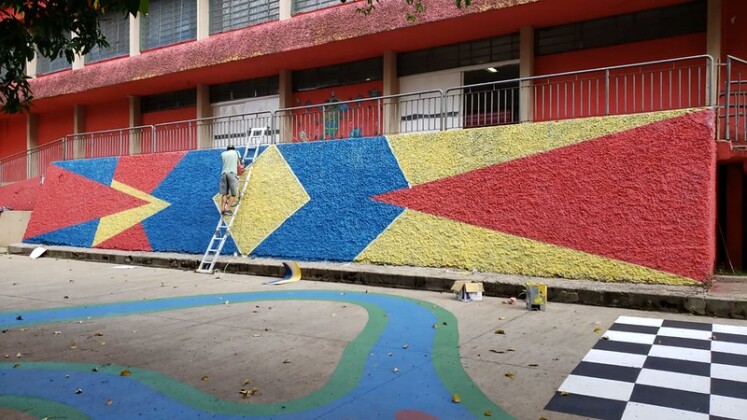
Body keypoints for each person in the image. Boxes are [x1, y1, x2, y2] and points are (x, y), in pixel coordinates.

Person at [219, 145, 241, 216]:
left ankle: (222, 209)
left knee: (224, 193)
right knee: (234, 193)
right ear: (233, 149)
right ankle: (227, 209)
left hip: (223, 174)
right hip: (232, 174)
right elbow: (239, 164)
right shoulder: (236, 152)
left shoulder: (223, 154)